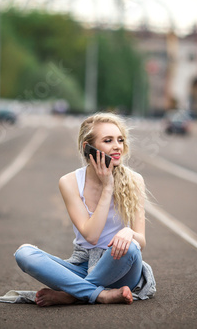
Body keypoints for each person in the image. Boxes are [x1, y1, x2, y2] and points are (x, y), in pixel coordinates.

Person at [14, 112, 155, 306]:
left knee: (130, 247)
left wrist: (128, 232)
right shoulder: (69, 182)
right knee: (24, 254)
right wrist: (107, 188)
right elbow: (92, 236)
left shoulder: (135, 180)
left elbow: (142, 241)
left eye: (120, 140)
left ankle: (71, 294)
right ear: (88, 147)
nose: (117, 146)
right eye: (108, 140)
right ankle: (101, 294)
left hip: (121, 267)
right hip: (82, 265)